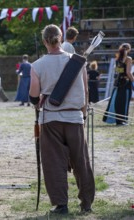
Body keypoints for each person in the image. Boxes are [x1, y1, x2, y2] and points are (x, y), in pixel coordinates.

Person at [29, 24, 95, 215]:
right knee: (81, 161)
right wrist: (82, 114)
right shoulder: (77, 62)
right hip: (74, 117)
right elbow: (86, 90)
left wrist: (37, 101)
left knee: (54, 162)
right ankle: (86, 204)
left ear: (44, 41)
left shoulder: (37, 65)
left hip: (51, 119)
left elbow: (34, 96)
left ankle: (61, 205)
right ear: (60, 38)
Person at [103, 43, 134, 125]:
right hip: (126, 83)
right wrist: (132, 79)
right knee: (124, 101)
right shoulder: (128, 59)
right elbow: (128, 72)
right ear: (129, 50)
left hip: (118, 83)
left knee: (117, 101)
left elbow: (118, 71)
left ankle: (118, 120)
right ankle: (122, 120)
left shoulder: (118, 59)